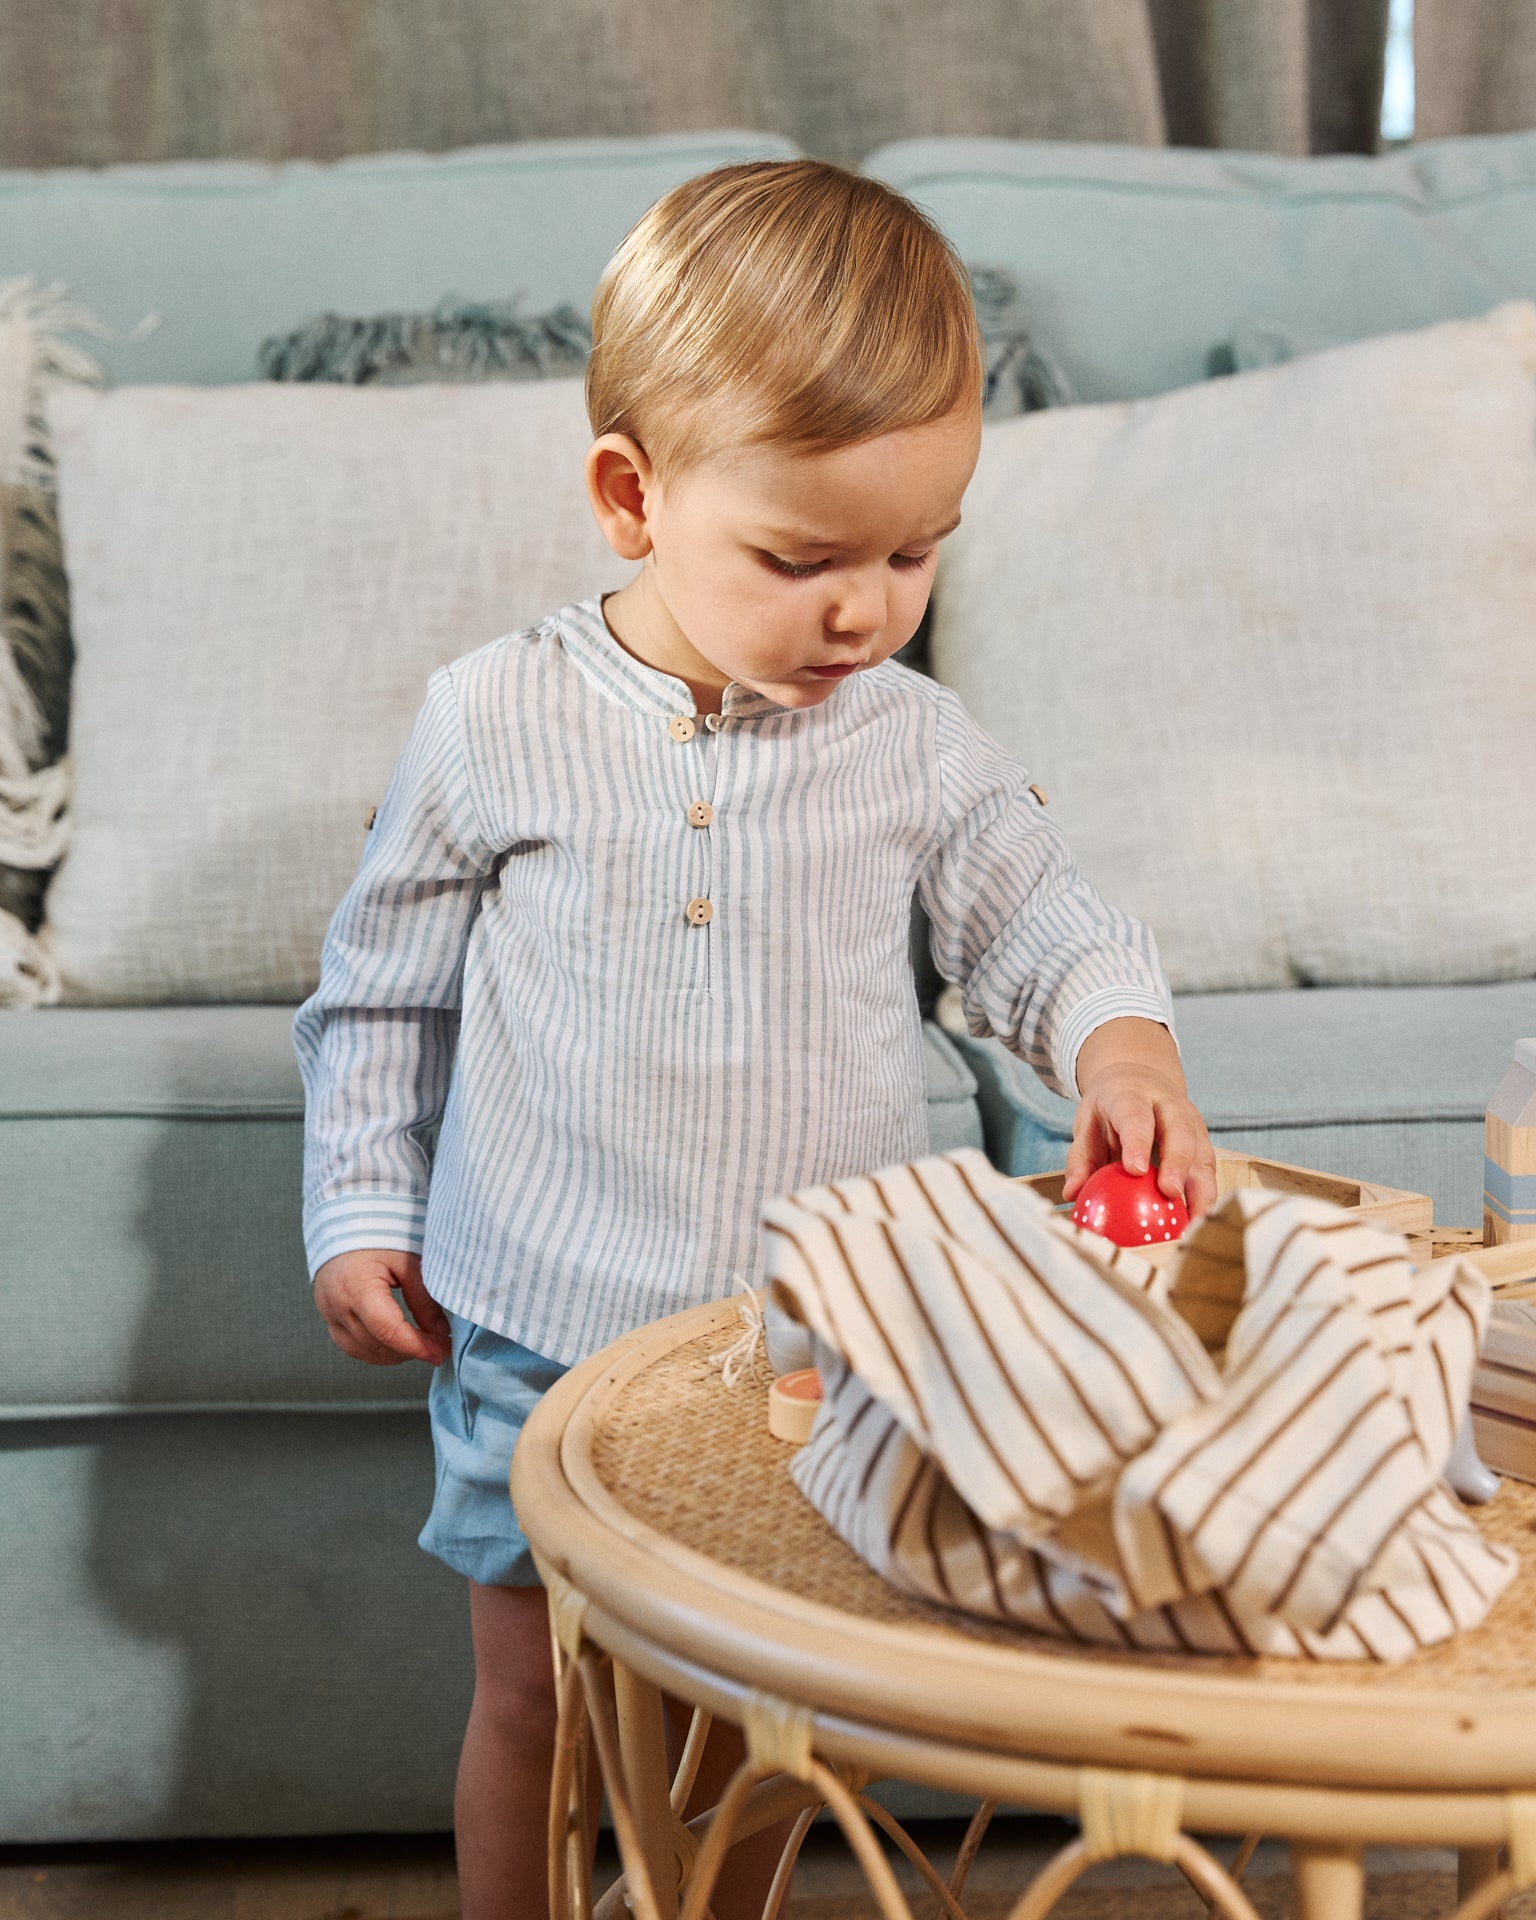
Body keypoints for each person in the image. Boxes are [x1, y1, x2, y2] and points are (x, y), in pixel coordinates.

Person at [294, 158, 1218, 1920]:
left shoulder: (914, 741)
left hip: (817, 1345)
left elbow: (1050, 925)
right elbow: (381, 990)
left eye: (914, 551)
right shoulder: (492, 719)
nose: (865, 609)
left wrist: (1121, 1050)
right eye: (801, 558)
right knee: (536, 1703)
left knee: (765, 1725)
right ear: (631, 498)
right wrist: (357, 1209)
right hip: (539, 1337)